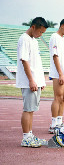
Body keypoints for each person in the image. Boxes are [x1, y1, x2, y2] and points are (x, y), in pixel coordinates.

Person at [16, 17, 49, 147]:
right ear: (33, 27)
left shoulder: (34, 40)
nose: (41, 35)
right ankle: (26, 138)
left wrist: (41, 81)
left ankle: (29, 135)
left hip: (36, 81)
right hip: (29, 81)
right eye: (40, 32)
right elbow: (24, 61)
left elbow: (36, 62)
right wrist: (31, 80)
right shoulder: (24, 39)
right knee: (28, 109)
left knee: (31, 110)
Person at [48, 18, 64, 133]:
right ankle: (53, 124)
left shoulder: (63, 40)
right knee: (57, 98)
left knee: (63, 98)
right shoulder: (55, 37)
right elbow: (55, 56)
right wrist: (60, 74)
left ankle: (59, 121)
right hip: (58, 73)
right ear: (62, 26)